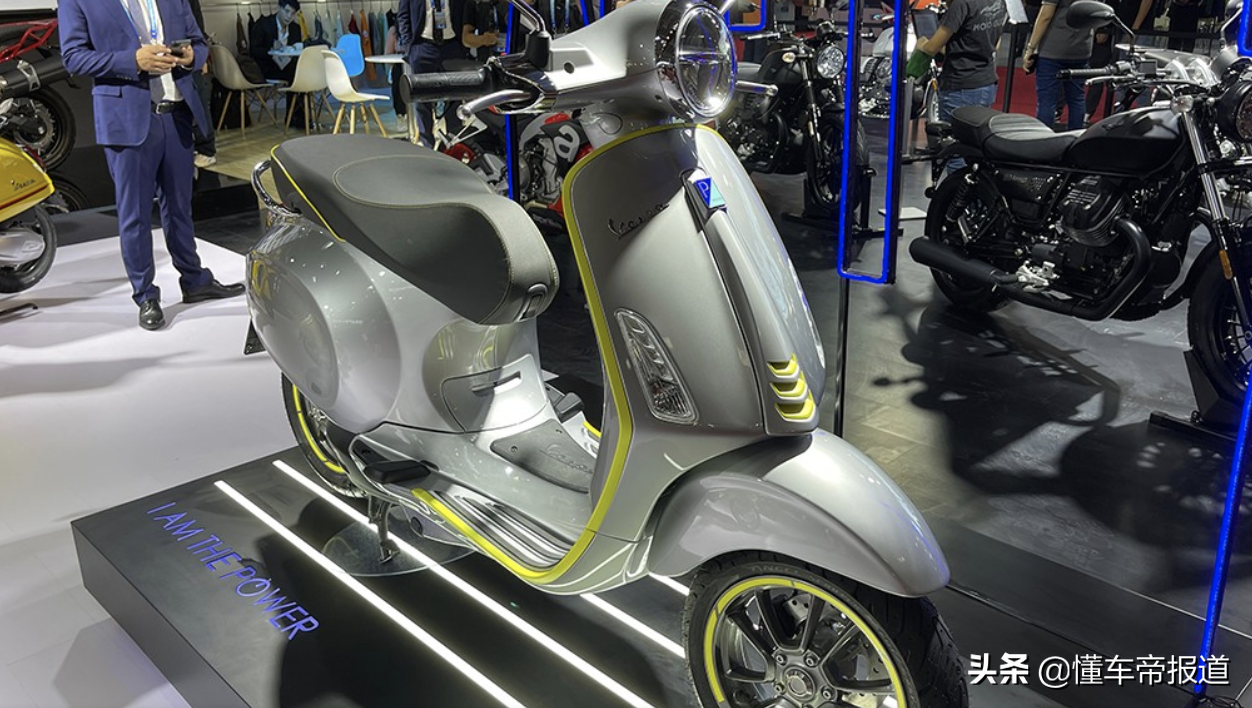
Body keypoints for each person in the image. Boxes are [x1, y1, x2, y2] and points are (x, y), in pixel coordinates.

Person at [58, 0, 245, 331]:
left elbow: (198, 42)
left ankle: (195, 281)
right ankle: (145, 295)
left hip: (176, 115)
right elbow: (73, 57)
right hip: (127, 120)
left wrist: (192, 56)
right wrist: (132, 60)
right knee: (135, 214)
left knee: (180, 207)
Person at [906, 0, 1008, 170]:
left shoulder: (961, 4)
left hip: (961, 84)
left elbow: (931, 48)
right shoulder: (999, 2)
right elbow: (994, 45)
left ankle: (957, 188)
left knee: (955, 153)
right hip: (986, 82)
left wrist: (922, 43)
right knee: (976, 150)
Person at [398, 0, 470, 146]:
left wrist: (462, 48)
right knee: (422, 100)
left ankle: (455, 145)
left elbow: (465, 14)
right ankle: (427, 146)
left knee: (455, 98)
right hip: (423, 48)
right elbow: (403, 16)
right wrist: (409, 48)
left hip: (452, 47)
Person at [1023, 0, 1093, 130]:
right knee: (1077, 98)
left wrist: (1030, 48)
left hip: (1053, 49)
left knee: (1047, 101)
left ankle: (1044, 139)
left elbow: (1045, 16)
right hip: (1082, 48)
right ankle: (1076, 138)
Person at [251, 0, 306, 128]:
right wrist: (271, 49)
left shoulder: (295, 28)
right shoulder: (263, 24)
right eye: (286, 11)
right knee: (296, 73)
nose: (289, 16)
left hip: (289, 66)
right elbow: (254, 50)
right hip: (268, 67)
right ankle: (297, 116)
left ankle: (298, 115)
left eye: (292, 13)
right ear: (279, 8)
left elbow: (296, 51)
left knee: (300, 72)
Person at [186, 0, 216, 168]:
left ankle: (206, 148)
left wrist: (200, 57)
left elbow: (196, 26)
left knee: (198, 102)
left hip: (190, 53)